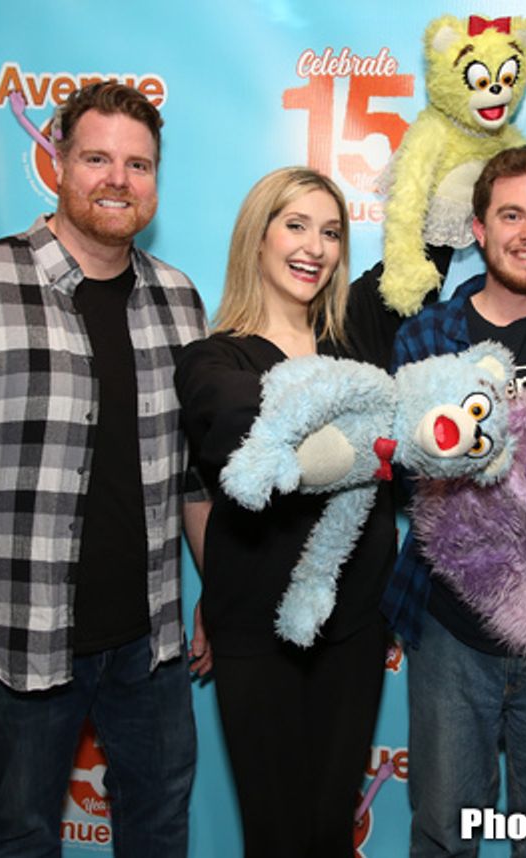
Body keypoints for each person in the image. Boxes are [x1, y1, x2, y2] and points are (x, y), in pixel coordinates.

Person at [0, 81, 206, 856]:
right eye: (97, 158)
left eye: (138, 164)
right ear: (56, 163)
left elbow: (195, 476)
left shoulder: (180, 303)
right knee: (21, 837)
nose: (118, 179)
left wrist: (214, 590)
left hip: (149, 648)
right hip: (16, 647)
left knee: (160, 833)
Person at [384, 146, 526, 857]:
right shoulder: (423, 338)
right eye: (512, 214)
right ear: (479, 228)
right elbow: (402, 475)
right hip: (455, 629)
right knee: (444, 837)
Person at [173, 167, 394, 857]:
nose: (315, 246)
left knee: (331, 829)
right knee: (276, 833)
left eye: (330, 231)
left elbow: (427, 242)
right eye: (295, 225)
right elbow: (218, 465)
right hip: (257, 630)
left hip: (354, 625)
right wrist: (217, 589)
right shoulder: (214, 357)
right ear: (258, 238)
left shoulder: (356, 335)